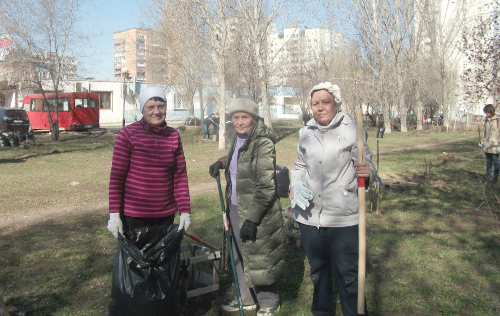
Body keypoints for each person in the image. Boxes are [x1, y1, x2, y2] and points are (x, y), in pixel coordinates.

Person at [289, 82, 377, 316]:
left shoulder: (352, 129)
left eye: (325, 102)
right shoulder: (306, 131)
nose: (319, 108)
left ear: (336, 103)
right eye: (315, 104)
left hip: (342, 218)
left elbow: (368, 166)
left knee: (349, 276)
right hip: (310, 217)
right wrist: (295, 183)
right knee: (318, 274)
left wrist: (368, 173)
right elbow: (299, 165)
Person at [107, 87, 192, 313]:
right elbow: (117, 177)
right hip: (134, 218)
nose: (156, 111)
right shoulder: (128, 135)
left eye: (161, 106)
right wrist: (114, 214)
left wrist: (185, 210)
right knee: (135, 276)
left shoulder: (173, 136)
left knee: (163, 273)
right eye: (151, 106)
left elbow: (180, 175)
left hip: (164, 218)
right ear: (142, 109)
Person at [208, 98, 284, 316]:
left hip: (256, 211)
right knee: (239, 254)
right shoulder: (240, 138)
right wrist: (222, 162)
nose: (239, 122)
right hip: (235, 206)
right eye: (235, 117)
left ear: (254, 117)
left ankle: (270, 302)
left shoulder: (262, 142)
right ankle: (247, 298)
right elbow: (239, 157)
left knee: (260, 256)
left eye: (244, 117)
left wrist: (251, 219)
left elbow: (266, 186)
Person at [480, 104, 499, 183]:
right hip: (487, 145)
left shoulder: (497, 119)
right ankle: (488, 177)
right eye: (485, 113)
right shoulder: (486, 119)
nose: (486, 114)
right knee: (488, 162)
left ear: (491, 111)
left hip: (495, 145)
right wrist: (482, 141)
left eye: (487, 112)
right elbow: (484, 132)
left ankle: (495, 179)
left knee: (496, 163)